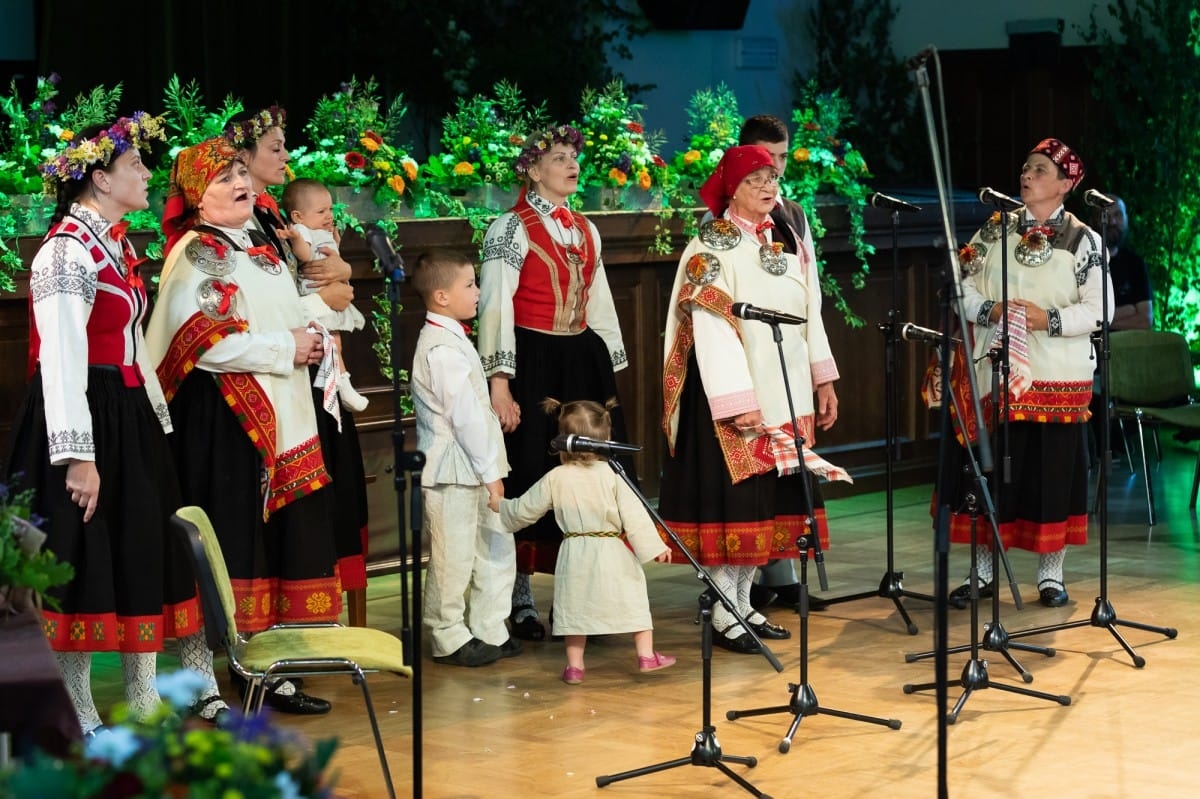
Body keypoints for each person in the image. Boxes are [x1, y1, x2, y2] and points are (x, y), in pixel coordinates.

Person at [2, 114, 228, 733]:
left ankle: (144, 695)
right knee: (84, 561)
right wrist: (78, 454)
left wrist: (155, 420)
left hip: (128, 417)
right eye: (136, 167)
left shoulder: (115, 244)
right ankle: (76, 706)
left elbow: (129, 341)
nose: (148, 175)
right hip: (84, 413)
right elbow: (63, 355)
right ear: (100, 178)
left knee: (140, 552)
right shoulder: (65, 253)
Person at [146, 137, 341, 715]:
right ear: (195, 198)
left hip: (281, 411)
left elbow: (282, 311)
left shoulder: (258, 242)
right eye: (220, 177)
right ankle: (203, 683)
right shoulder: (195, 251)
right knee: (226, 546)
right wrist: (289, 346)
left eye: (239, 171)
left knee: (270, 548)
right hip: (226, 420)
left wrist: (315, 329)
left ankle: (265, 670)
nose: (238, 182)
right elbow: (202, 343)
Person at [660, 145, 849, 654]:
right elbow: (709, 326)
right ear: (731, 188)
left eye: (772, 177)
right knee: (736, 509)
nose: (769, 186)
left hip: (784, 398)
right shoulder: (711, 247)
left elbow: (811, 313)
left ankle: (745, 604)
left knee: (763, 509)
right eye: (755, 179)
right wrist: (739, 402)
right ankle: (725, 609)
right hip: (734, 405)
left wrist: (822, 379)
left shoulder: (782, 245)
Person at [943, 137, 1113, 609]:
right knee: (990, 474)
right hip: (996, 372)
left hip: (1056, 374)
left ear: (1065, 184)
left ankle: (1050, 576)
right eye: (1025, 167)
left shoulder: (1084, 240)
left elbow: (1101, 310)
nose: (1027, 175)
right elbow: (960, 284)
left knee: (1051, 475)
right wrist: (991, 310)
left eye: (1040, 170)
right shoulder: (995, 230)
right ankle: (981, 574)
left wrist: (1047, 320)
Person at [478, 124, 631, 642]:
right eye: (560, 158)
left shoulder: (585, 228)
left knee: (592, 470)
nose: (572, 165)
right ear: (532, 170)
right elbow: (495, 305)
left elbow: (600, 298)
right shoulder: (509, 227)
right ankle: (520, 595)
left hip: (580, 356)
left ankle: (588, 593)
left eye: (574, 158)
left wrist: (608, 362)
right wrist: (500, 382)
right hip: (534, 356)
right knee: (529, 467)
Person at [224, 108, 370, 610]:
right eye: (275, 148)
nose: (286, 157)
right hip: (281, 367)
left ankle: (316, 610)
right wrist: (320, 305)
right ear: (241, 158)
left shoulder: (268, 217)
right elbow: (259, 311)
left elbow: (316, 270)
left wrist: (341, 272)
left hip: (308, 359)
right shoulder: (240, 228)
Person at [490, 399, 674, 685]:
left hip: (575, 552)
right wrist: (655, 548)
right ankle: (646, 655)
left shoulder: (556, 477)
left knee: (574, 608)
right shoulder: (613, 477)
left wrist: (501, 506)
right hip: (611, 549)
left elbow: (525, 509)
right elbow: (635, 515)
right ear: (606, 439)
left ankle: (575, 667)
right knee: (633, 600)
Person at [737, 113, 836, 610]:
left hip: (790, 366)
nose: (775, 173)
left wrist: (823, 378)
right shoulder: (722, 222)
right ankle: (745, 582)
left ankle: (781, 573)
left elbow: (810, 298)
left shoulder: (793, 216)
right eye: (764, 162)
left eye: (780, 160)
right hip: (752, 366)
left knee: (790, 476)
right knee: (755, 477)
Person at [410, 249, 520, 667]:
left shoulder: (453, 336)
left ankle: (490, 625)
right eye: (470, 285)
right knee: (452, 556)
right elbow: (466, 418)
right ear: (441, 296)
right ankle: (448, 634)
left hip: (479, 465)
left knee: (493, 545)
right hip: (454, 469)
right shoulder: (439, 348)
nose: (478, 291)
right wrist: (491, 473)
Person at [281, 177, 369, 412]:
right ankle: (343, 384)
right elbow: (306, 255)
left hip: (329, 291)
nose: (329, 215)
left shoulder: (320, 229)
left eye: (329, 209)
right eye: (321, 211)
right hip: (316, 292)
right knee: (332, 343)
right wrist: (298, 240)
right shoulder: (301, 230)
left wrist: (336, 244)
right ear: (298, 216)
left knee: (335, 342)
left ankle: (342, 383)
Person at [1092, 196, 1152, 331]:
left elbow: (1146, 320)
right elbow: (1077, 318)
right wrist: (1129, 311)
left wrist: (1099, 323)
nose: (1112, 221)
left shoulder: (1135, 264)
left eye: (1118, 215)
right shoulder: (1082, 262)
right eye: (1105, 215)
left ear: (1126, 219)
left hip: (1130, 349)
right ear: (1095, 221)